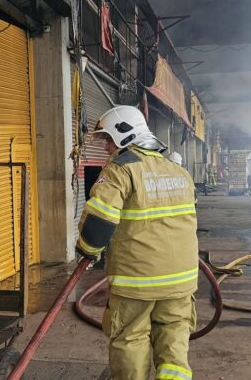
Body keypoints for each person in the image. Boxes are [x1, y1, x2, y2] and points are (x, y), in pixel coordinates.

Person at [76, 105, 198, 380]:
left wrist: (87, 251)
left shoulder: (121, 170)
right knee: (174, 340)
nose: (106, 147)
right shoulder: (179, 171)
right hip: (182, 281)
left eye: (108, 139)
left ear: (124, 134)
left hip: (137, 282)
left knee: (130, 338)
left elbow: (99, 225)